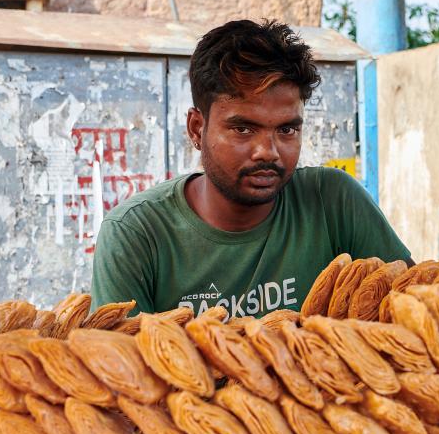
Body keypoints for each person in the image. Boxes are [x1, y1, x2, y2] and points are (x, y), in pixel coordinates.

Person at [91, 19, 412, 317]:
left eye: (287, 130)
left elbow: (414, 308)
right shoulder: (136, 234)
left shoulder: (333, 201)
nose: (267, 152)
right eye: (243, 129)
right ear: (196, 128)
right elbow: (124, 368)